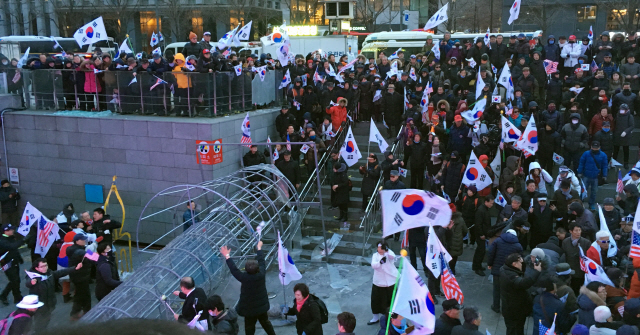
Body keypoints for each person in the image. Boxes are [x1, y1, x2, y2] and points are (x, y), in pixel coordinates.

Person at [221, 240, 276, 335]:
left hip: (249, 309)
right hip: (261, 306)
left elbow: (234, 269)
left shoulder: (244, 277)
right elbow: (262, 261)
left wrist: (227, 256)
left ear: (246, 269)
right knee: (266, 323)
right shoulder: (261, 274)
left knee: (249, 328)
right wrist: (259, 248)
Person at [25, 258, 80, 329]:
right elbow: (28, 283)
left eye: (46, 265)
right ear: (36, 268)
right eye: (42, 266)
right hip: (39, 305)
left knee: (46, 320)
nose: (45, 268)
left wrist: (74, 268)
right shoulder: (33, 276)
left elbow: (61, 272)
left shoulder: (49, 273)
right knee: (39, 323)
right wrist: (31, 282)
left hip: (50, 303)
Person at [500, 253, 541, 335]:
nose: (522, 262)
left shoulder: (505, 269)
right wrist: (537, 271)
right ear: (514, 264)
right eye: (520, 261)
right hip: (514, 311)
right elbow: (524, 283)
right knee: (514, 330)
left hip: (512, 309)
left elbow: (521, 271)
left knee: (516, 329)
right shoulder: (511, 276)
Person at [487, 229, 523, 314]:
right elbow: (521, 259)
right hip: (510, 271)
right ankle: (506, 309)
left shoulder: (498, 241)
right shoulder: (518, 245)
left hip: (497, 269)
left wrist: (490, 264)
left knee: (496, 289)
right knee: (507, 290)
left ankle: (496, 307)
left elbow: (491, 252)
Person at [369, 241, 396, 325]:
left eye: (381, 247)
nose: (379, 249)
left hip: (390, 282)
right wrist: (380, 262)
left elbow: (392, 257)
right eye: (378, 247)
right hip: (378, 282)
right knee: (376, 300)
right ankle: (375, 317)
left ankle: (391, 318)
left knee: (390, 300)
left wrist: (387, 251)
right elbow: (373, 265)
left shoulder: (389, 254)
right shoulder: (375, 255)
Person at [66, 234, 92, 320]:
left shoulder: (74, 249)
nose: (84, 241)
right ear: (77, 241)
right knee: (82, 295)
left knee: (81, 294)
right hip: (81, 276)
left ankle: (81, 311)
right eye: (82, 239)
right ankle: (78, 313)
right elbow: (93, 257)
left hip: (77, 276)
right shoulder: (80, 251)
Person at [577, 141, 608, 210]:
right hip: (586, 175)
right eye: (593, 147)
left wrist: (605, 175)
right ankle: (580, 203)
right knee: (583, 191)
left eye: (596, 148)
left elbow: (605, 166)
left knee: (594, 192)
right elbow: (581, 163)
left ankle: (591, 204)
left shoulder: (603, 155)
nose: (594, 149)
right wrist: (579, 171)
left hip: (596, 176)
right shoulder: (586, 154)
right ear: (591, 147)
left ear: (599, 147)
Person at [473, 197, 493, 276]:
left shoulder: (485, 209)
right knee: (480, 251)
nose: (492, 204)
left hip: (484, 233)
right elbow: (478, 224)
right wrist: (481, 234)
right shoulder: (480, 210)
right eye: (491, 203)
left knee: (481, 250)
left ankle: (477, 266)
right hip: (480, 234)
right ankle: (477, 267)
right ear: (486, 202)